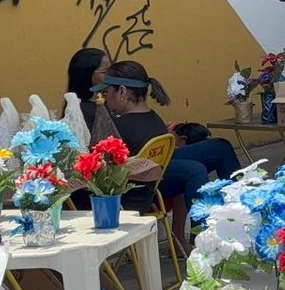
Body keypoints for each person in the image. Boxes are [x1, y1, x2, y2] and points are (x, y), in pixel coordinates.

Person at [93, 60, 242, 246]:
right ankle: (205, 240)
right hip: (143, 186)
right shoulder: (147, 118)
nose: (105, 99)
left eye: (107, 93)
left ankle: (241, 214)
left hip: (157, 174)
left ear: (122, 92)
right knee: (193, 169)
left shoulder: (122, 125)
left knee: (220, 146)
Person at [66, 48, 111, 129]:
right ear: (87, 74)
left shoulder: (107, 104)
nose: (110, 76)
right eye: (105, 72)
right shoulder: (83, 112)